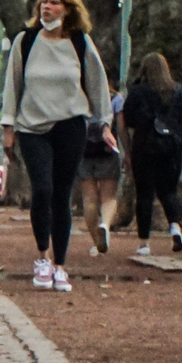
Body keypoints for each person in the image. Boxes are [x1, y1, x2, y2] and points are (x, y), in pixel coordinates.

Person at [0, 0, 113, 292]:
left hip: (70, 125)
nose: (46, 7)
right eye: (44, 2)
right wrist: (8, 128)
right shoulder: (26, 40)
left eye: (54, 3)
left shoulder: (80, 42)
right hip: (32, 127)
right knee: (43, 189)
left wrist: (104, 124)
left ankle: (60, 265)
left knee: (62, 195)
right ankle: (42, 257)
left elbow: (97, 84)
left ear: (67, 8)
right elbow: (13, 86)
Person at [121, 51, 182, 256]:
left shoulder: (138, 92)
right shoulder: (178, 92)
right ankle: (175, 227)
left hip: (145, 146)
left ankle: (144, 242)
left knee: (145, 194)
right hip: (172, 148)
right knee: (169, 191)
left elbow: (129, 119)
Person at [75, 99, 123, 254]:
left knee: (89, 198)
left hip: (83, 150)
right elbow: (121, 127)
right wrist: (126, 150)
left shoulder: (79, 95)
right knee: (108, 196)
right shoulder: (116, 99)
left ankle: (96, 242)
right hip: (107, 150)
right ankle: (106, 225)